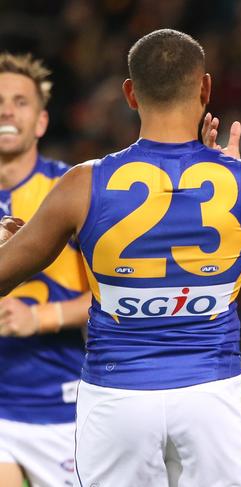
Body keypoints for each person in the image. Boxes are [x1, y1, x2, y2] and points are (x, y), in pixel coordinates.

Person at [0, 29, 241, 487]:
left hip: (116, 397)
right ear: (205, 89)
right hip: (210, 396)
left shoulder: (82, 184)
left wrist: (24, 243)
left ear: (129, 94)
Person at [0, 52, 91, 487]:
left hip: (61, 409)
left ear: (40, 122)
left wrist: (39, 317)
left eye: (20, 101)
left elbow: (114, 295)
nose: (6, 110)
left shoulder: (69, 191)